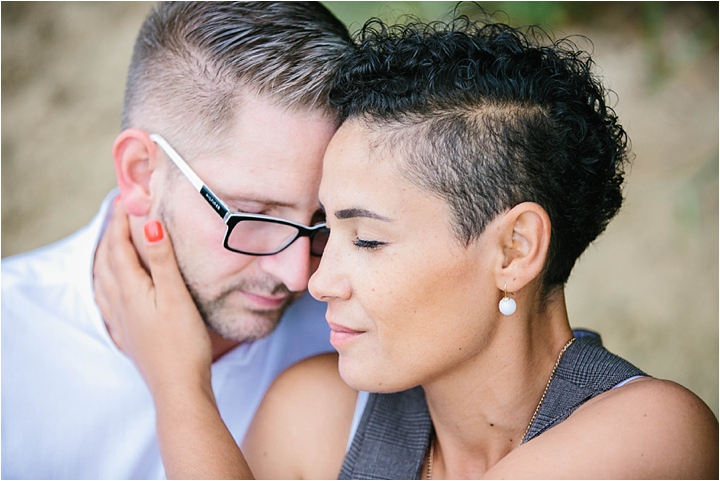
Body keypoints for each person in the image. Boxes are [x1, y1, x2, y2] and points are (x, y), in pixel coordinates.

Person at [95, 14, 719, 480]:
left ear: (514, 251)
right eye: (325, 230)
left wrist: (178, 387)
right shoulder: (314, 415)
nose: (317, 281)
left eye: (367, 239)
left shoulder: (652, 431)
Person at [1, 2, 353, 479]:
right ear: (141, 175)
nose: (297, 275)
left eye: (323, 220)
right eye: (253, 214)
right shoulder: (12, 339)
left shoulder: (356, 335)